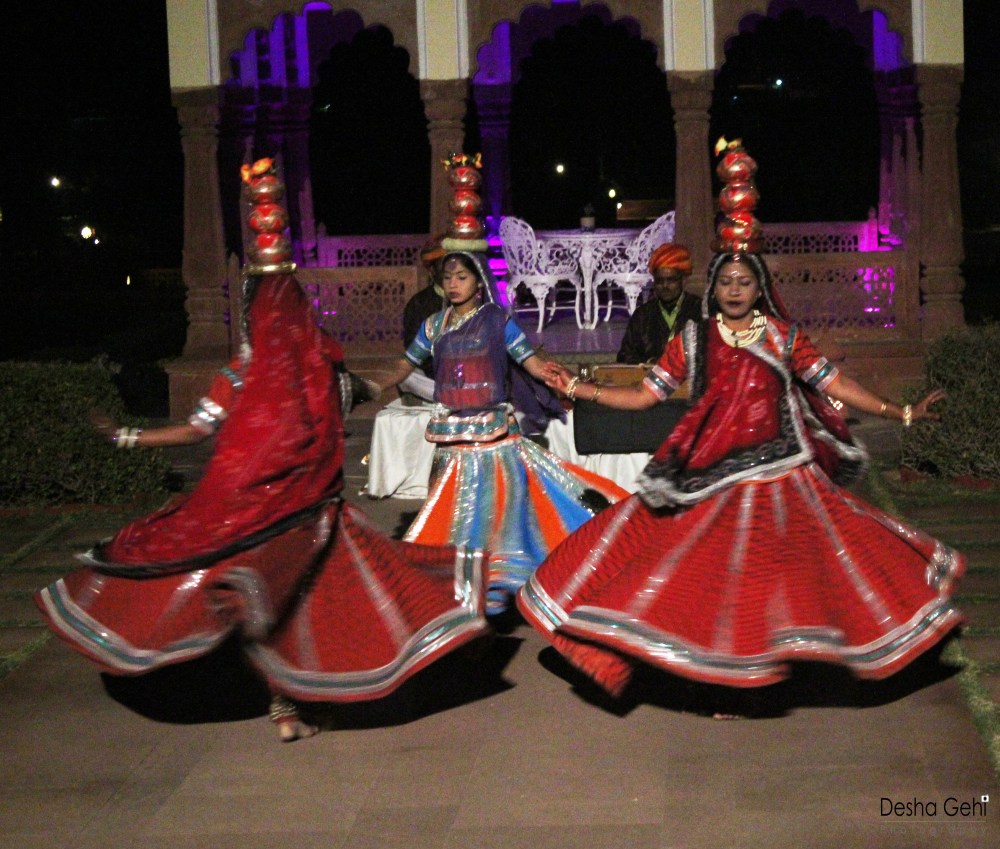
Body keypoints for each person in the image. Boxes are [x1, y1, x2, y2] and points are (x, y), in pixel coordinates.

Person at [35, 162, 491, 742]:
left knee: (266, 610)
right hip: (317, 520)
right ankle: (296, 700)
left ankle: (283, 707)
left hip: (251, 522)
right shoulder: (323, 369)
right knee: (318, 606)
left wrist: (125, 435)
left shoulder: (241, 373)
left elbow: (195, 432)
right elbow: (364, 394)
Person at [517, 166, 963, 702]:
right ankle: (716, 674)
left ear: (759, 287)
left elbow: (835, 381)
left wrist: (902, 412)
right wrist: (582, 389)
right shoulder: (693, 339)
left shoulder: (782, 337)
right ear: (714, 287)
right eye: (726, 281)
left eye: (744, 281)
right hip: (711, 479)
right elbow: (644, 395)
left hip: (781, 479)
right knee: (684, 569)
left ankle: (770, 669)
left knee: (801, 573)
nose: (734, 289)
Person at [376, 250, 627, 613]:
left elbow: (531, 361)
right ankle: (455, 584)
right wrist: (370, 386)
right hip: (450, 438)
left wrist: (564, 381)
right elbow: (404, 365)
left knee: (499, 518)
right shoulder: (433, 325)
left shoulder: (498, 321)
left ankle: (497, 582)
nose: (453, 284)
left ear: (479, 283)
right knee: (447, 516)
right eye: (448, 278)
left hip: (493, 439)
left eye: (462, 277)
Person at [616, 242, 702, 365]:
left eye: (671, 280)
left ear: (683, 280)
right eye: (660, 281)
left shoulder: (699, 310)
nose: (665, 286)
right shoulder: (642, 315)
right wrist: (649, 363)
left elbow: (711, 353)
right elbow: (625, 356)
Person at [397, 235, 447, 404]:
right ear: (432, 270)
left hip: (472, 378)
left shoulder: (476, 298)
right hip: (436, 379)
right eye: (444, 265)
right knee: (407, 375)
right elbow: (415, 352)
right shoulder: (419, 304)